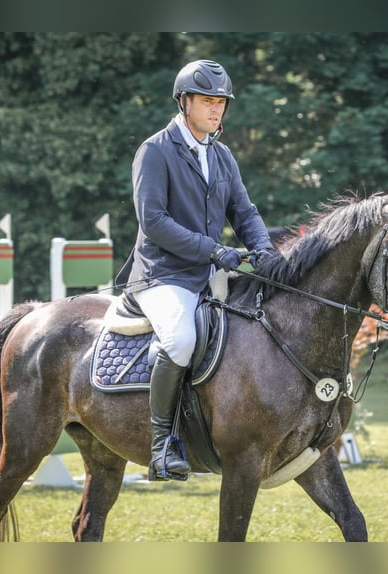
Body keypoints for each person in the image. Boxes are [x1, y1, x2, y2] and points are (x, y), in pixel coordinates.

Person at [122, 59, 274, 481]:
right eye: (207, 101)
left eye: (221, 102)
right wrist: (213, 250)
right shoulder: (154, 151)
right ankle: (161, 444)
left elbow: (244, 210)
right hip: (162, 275)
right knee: (182, 338)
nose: (216, 109)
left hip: (207, 275)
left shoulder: (221, 156)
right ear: (184, 101)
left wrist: (262, 246)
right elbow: (153, 221)